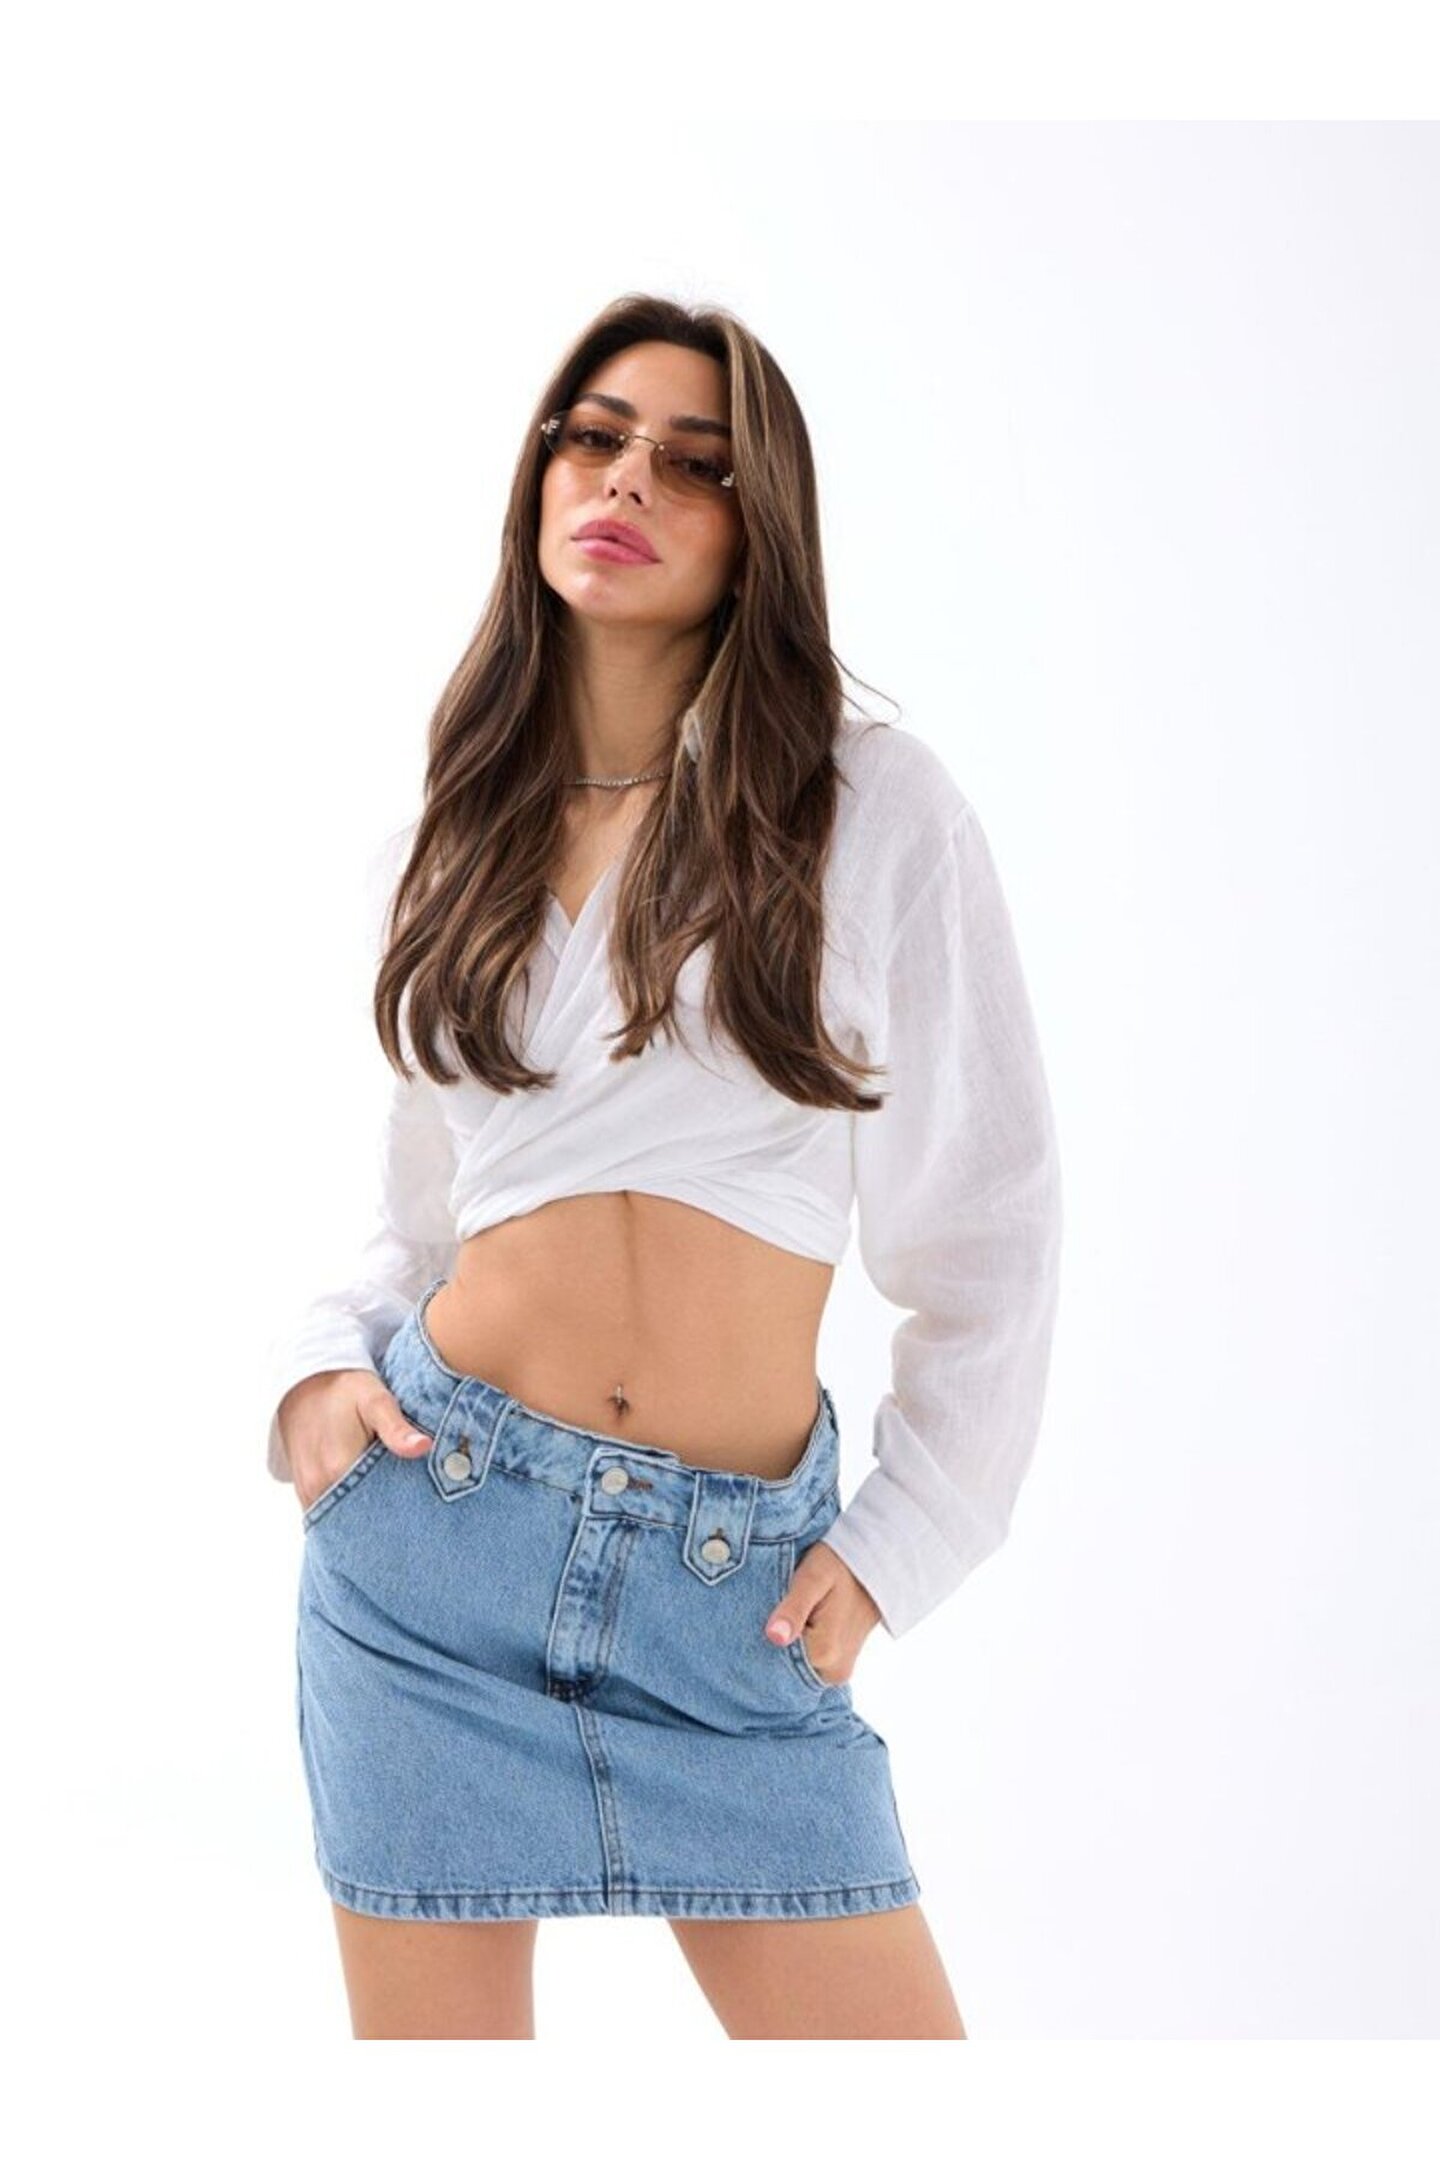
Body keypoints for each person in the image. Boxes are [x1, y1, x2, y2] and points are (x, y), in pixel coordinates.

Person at [267, 295, 1064, 2040]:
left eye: (694, 465)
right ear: (540, 473)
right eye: (596, 436)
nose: (627, 478)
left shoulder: (872, 809)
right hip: (431, 1565)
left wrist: (908, 1539)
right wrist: (320, 1368)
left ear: (758, 531)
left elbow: (992, 1226)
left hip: (731, 1604)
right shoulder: (449, 835)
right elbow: (422, 1208)